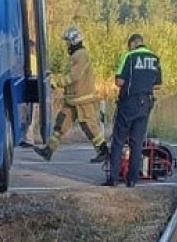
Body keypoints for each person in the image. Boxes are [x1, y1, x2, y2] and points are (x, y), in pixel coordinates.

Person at [35, 27, 109, 163]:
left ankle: (103, 151)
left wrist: (58, 83)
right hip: (72, 100)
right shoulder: (76, 55)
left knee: (90, 126)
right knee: (61, 123)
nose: (67, 45)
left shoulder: (81, 55)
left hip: (82, 99)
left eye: (68, 42)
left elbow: (74, 76)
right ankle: (48, 150)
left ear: (74, 41)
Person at [106, 34, 162, 187]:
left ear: (131, 44)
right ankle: (132, 180)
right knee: (137, 143)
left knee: (118, 141)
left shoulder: (129, 56)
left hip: (129, 102)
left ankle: (114, 178)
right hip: (146, 103)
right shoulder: (154, 58)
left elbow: (119, 81)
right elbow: (157, 85)